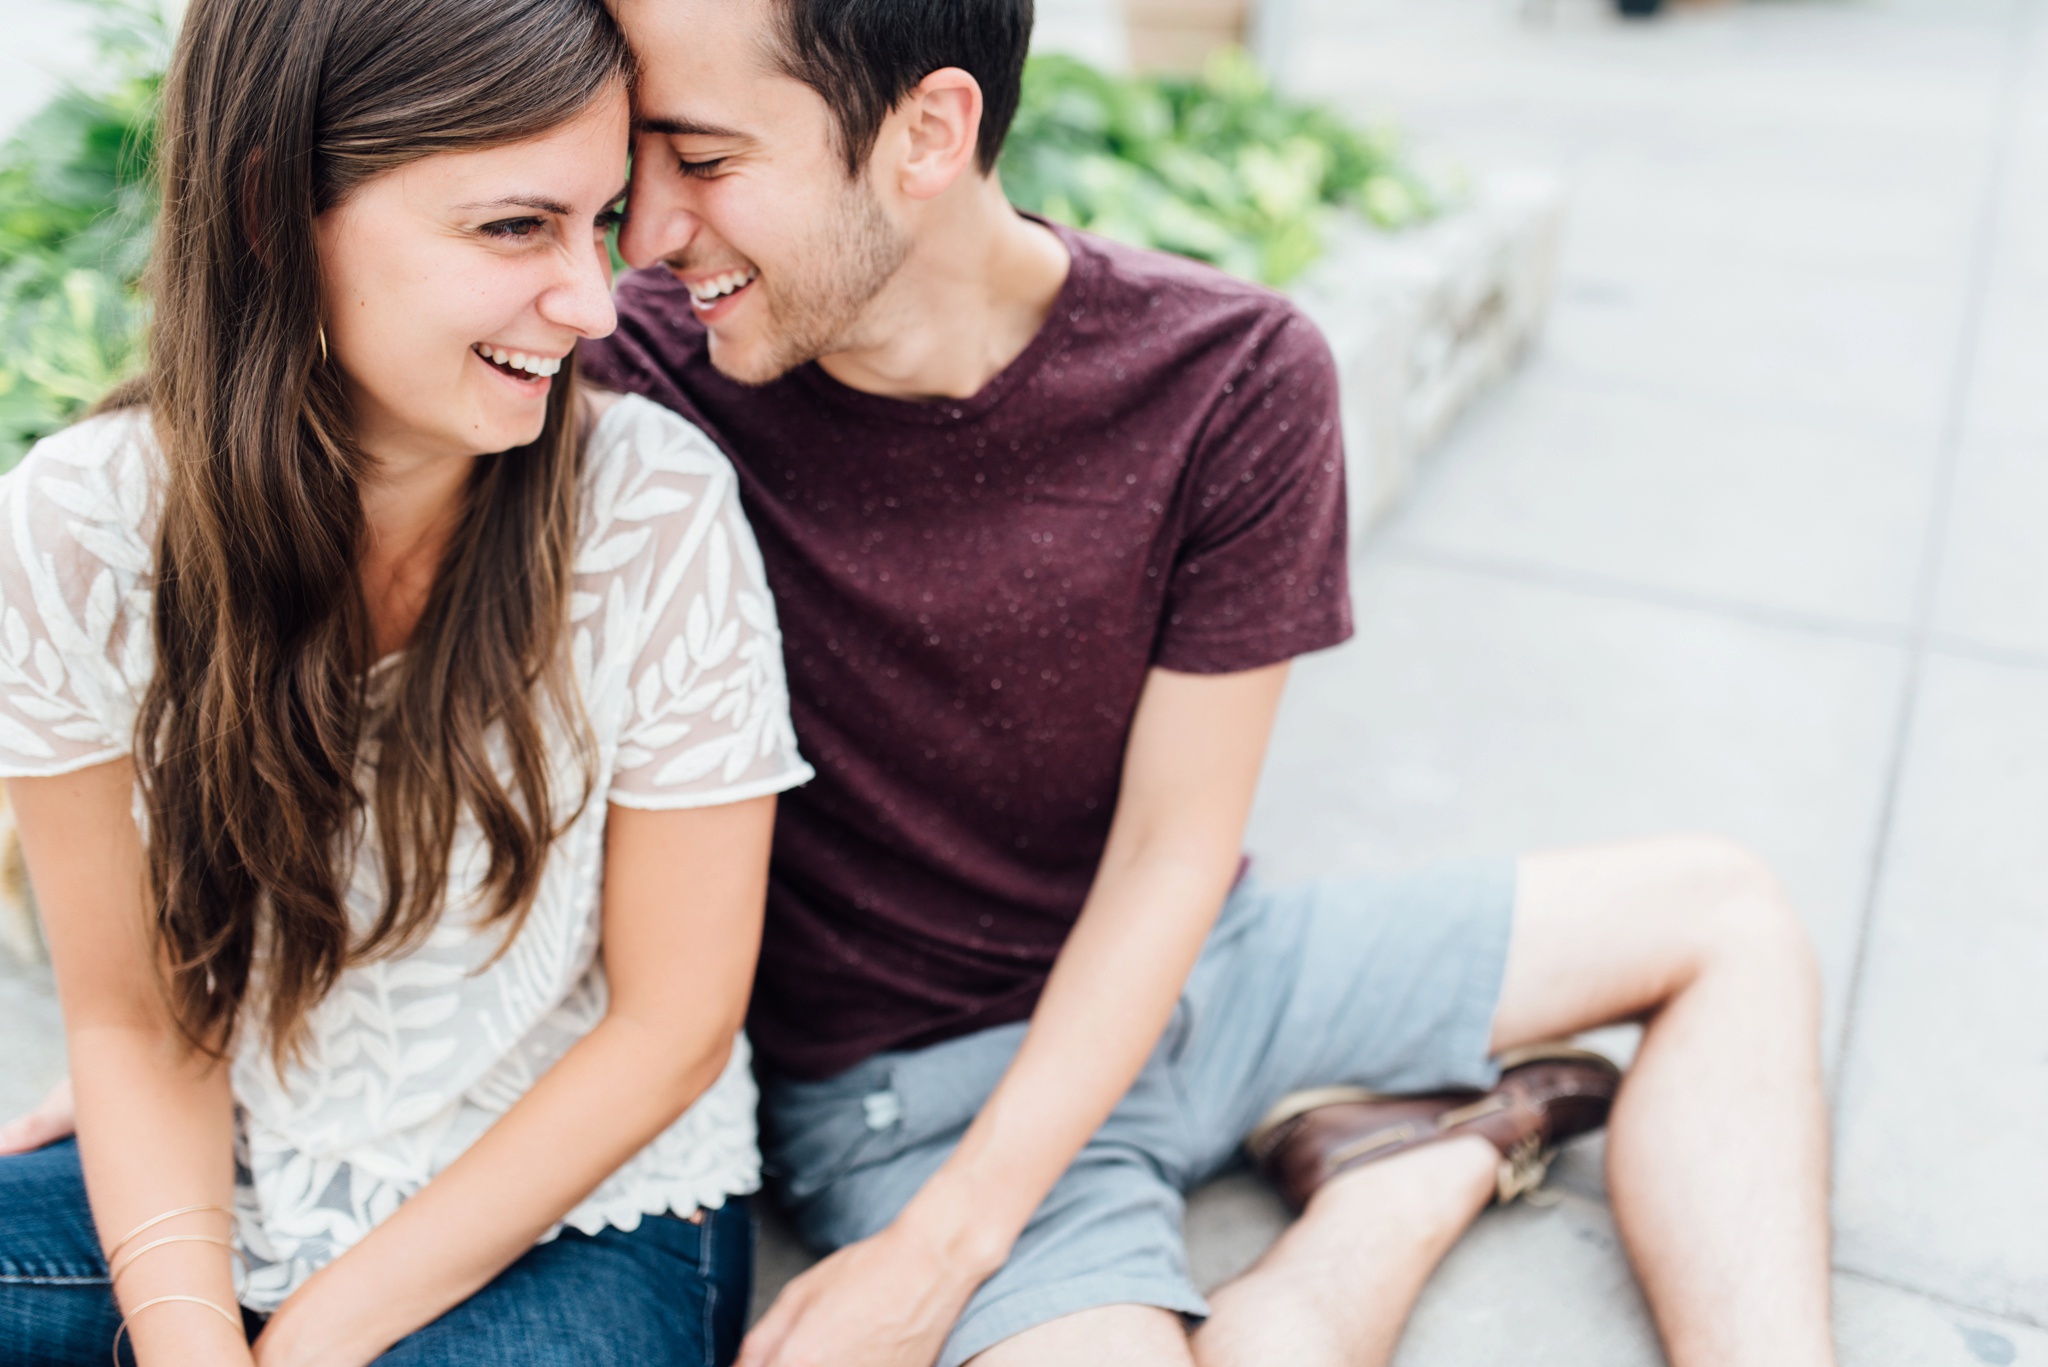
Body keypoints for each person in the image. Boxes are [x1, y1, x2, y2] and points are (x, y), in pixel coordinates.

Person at [6, 1, 1838, 1365]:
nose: (638, 241)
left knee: (1733, 913)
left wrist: (946, 1255)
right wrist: (191, 1035)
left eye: (700, 162)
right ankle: (1409, 1174)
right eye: (622, 174)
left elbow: (1173, 861)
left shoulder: (1234, 375)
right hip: (907, 1077)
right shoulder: (620, 366)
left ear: (926, 132)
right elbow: (330, 492)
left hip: (1196, 967)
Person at [0, 0, 811, 1363]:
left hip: (581, 1211)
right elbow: (139, 1022)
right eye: (514, 227)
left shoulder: (650, 510)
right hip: (234, 1168)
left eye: (597, 222)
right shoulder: (77, 527)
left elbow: (672, 1026)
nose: (593, 302)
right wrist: (194, 1335)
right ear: (272, 210)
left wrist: (309, 1341)